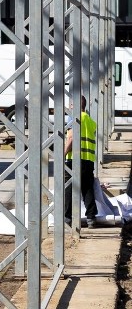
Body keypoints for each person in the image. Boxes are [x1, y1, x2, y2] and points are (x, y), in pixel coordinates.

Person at [64, 95, 98, 228]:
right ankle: (91, 218)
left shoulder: (75, 119)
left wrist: (63, 154)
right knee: (87, 188)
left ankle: (67, 218)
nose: (69, 107)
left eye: (70, 105)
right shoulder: (90, 121)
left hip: (74, 159)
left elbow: (71, 139)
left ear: (75, 105)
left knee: (69, 188)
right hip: (88, 160)